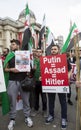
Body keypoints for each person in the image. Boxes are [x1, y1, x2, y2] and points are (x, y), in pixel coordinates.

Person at [4, 39, 33, 130]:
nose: (11, 46)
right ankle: (12, 119)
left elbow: (29, 68)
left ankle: (27, 117)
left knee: (26, 100)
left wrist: (28, 70)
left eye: (13, 44)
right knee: (12, 101)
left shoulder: (24, 55)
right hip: (12, 81)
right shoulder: (9, 55)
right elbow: (5, 69)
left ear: (17, 46)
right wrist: (11, 69)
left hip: (24, 81)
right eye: (11, 44)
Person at [45, 45, 71, 130]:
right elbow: (45, 71)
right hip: (51, 84)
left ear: (58, 50)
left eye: (55, 49)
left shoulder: (64, 59)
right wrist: (43, 77)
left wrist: (68, 76)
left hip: (61, 84)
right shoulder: (47, 59)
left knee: (63, 102)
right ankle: (51, 115)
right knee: (51, 101)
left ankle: (64, 118)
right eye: (52, 49)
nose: (53, 50)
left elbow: (70, 70)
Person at [31, 48, 47, 117]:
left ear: (42, 53)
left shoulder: (45, 60)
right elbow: (30, 73)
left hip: (43, 82)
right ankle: (36, 109)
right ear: (35, 53)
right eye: (37, 52)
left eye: (40, 52)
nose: (38, 53)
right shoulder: (32, 61)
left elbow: (48, 70)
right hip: (35, 81)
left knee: (44, 97)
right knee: (35, 97)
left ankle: (45, 110)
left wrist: (43, 76)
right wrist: (32, 70)